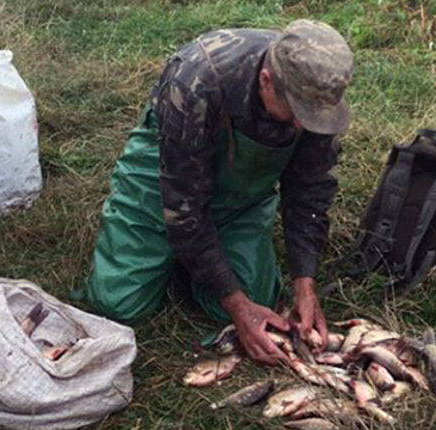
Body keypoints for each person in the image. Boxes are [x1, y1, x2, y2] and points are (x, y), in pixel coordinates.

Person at [80, 19, 353, 364]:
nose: (304, 125)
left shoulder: (317, 92)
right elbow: (183, 207)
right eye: (298, 114)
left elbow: (309, 191)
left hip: (243, 189)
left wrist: (305, 282)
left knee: (260, 298)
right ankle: (169, 253)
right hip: (165, 174)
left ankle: (191, 261)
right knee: (116, 303)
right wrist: (237, 307)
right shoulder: (196, 80)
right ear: (266, 80)